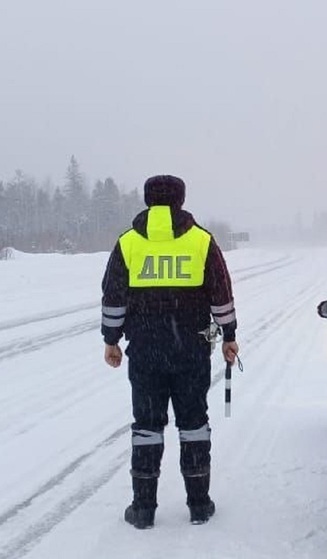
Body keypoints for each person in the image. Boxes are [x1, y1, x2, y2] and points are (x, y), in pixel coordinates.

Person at [100, 175, 238, 529]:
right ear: (181, 199)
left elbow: (113, 297)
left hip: (145, 352)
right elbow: (221, 294)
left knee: (147, 426)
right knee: (193, 424)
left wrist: (111, 340)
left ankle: (143, 510)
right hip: (190, 350)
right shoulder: (201, 241)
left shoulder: (128, 244)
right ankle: (199, 505)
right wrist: (229, 335)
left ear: (148, 200)